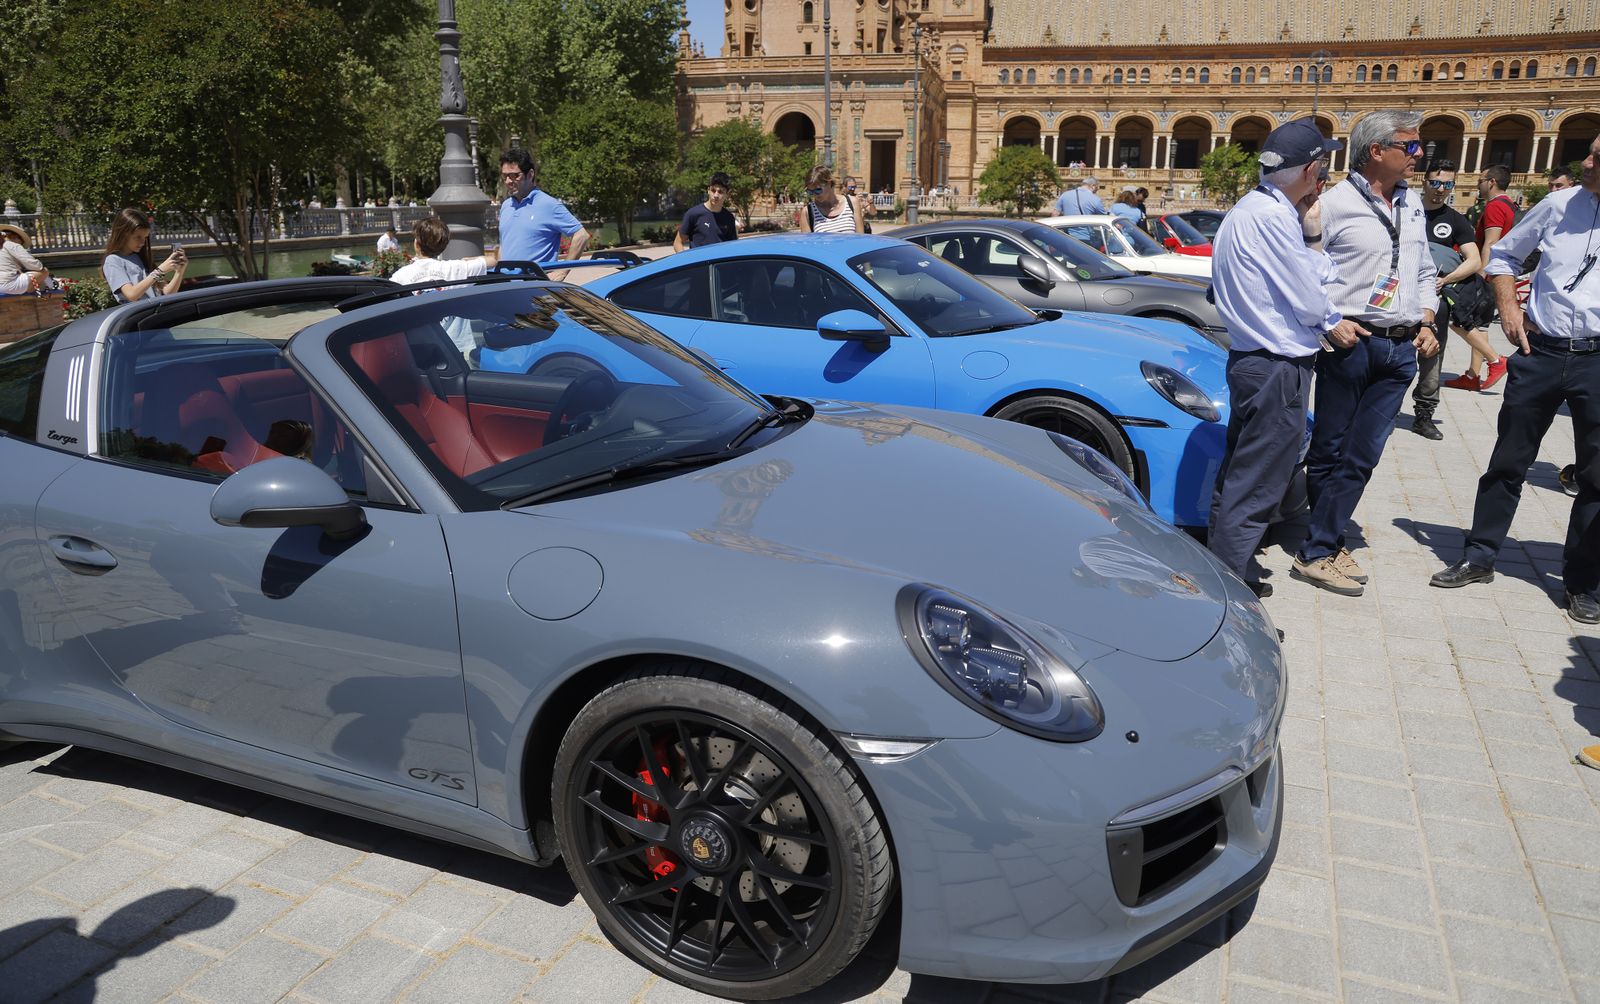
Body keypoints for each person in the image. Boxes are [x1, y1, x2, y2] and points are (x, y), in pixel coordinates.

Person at [1430, 132, 1600, 624]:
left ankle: (1584, 582)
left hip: (1597, 359)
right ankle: (1479, 556)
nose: (1585, 162)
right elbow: (1502, 257)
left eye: (1596, 157)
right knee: (1508, 461)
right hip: (1541, 349)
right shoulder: (1558, 205)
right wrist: (1508, 308)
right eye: (1588, 151)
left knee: (1596, 477)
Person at [1206, 118, 1360, 597]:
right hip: (1276, 367)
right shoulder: (1272, 217)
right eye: (1323, 166)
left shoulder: (1251, 209)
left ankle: (1226, 573)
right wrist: (1314, 240)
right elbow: (1311, 297)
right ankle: (1229, 599)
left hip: (1256, 363)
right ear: (1313, 169)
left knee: (1240, 477)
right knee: (1255, 487)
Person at [1292, 110, 1440, 596]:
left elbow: (1421, 267)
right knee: (1330, 448)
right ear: (1377, 151)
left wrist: (1427, 315)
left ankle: (1318, 547)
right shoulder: (1331, 204)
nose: (1420, 154)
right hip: (1351, 343)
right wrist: (1330, 322)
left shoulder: (1413, 203)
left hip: (1400, 348)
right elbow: (1306, 269)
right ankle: (1324, 544)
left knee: (1365, 454)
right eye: (1412, 146)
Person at [1411, 159, 1485, 439]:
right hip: (1397, 297)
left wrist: (1445, 279)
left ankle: (1424, 415)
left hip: (1435, 301)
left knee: (1432, 355)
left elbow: (1474, 260)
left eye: (1448, 184)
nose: (1441, 189)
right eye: (1436, 183)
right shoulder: (1407, 210)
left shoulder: (1455, 219)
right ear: (1424, 181)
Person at [1445, 164, 1517, 390]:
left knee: (1456, 317)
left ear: (1492, 182)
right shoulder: (1510, 205)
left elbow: (1491, 242)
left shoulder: (1495, 207)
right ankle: (1473, 375)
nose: (1479, 183)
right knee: (1481, 325)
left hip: (1487, 274)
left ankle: (1496, 360)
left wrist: (1480, 273)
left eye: (1482, 180)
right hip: (1502, 273)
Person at [390, 215, 498, 359]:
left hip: (418, 346)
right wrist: (467, 260)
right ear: (443, 246)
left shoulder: (400, 276)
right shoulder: (457, 268)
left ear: (416, 244)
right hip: (454, 346)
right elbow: (493, 260)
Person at [497, 148, 591, 271]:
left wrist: (562, 271)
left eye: (514, 175)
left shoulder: (548, 205)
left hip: (535, 287)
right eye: (505, 176)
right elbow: (503, 246)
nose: (509, 181)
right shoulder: (506, 206)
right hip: (506, 285)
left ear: (530, 175)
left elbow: (581, 235)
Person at [101, 208, 186, 303]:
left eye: (145, 237)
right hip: (139, 315)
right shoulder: (113, 261)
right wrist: (160, 271)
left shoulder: (142, 258)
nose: (143, 242)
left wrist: (179, 272)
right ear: (123, 234)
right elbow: (132, 295)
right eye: (138, 237)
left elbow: (168, 292)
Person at [674, 171, 737, 251]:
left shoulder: (729, 218)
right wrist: (686, 260)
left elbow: (732, 247)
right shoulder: (693, 214)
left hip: (720, 263)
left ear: (727, 194)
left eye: (720, 192)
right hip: (699, 263)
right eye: (713, 190)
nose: (716, 195)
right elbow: (678, 242)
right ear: (708, 190)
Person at [799, 165, 863, 234]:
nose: (815, 194)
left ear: (829, 183)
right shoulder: (807, 212)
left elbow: (860, 238)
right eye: (810, 191)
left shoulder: (852, 203)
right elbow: (808, 243)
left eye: (818, 190)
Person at [0, 223, 51, 296]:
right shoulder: (12, 245)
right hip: (9, 285)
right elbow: (36, 266)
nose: (21, 244)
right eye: (21, 241)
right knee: (44, 271)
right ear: (15, 236)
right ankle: (48, 289)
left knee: (29, 277)